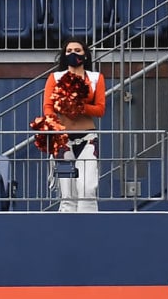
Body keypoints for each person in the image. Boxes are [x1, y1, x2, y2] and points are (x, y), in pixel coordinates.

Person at [44, 42, 106, 213]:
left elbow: (100, 109)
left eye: (77, 50)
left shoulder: (95, 78)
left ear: (85, 55)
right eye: (69, 50)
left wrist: (79, 106)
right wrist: (55, 119)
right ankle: (67, 233)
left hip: (88, 139)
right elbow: (48, 106)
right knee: (67, 193)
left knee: (87, 188)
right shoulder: (55, 78)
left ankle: (89, 229)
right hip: (63, 139)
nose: (73, 53)